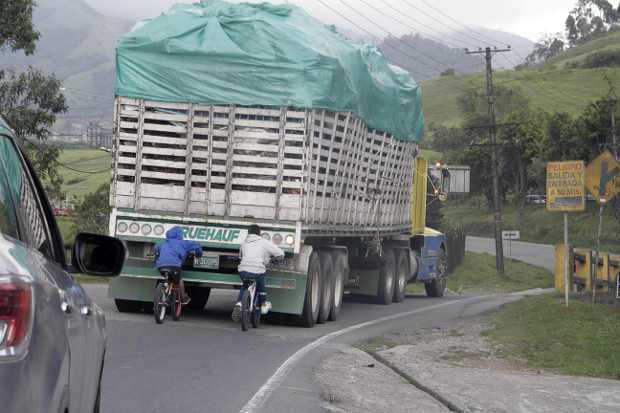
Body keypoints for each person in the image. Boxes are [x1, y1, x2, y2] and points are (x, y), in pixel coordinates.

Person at [232, 224, 284, 321]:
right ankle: (263, 304)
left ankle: (239, 304)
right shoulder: (264, 242)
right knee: (261, 284)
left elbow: (240, 257)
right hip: (257, 270)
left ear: (248, 233)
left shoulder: (244, 243)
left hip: (243, 271)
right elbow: (280, 253)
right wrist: (275, 259)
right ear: (259, 233)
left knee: (245, 285)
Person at [154, 226, 203, 305]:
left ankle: (166, 292)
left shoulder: (163, 243)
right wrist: (199, 254)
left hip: (161, 266)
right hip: (174, 266)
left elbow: (156, 248)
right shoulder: (183, 243)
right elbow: (197, 245)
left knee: (170, 277)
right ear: (180, 235)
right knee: (179, 279)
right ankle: (183, 297)